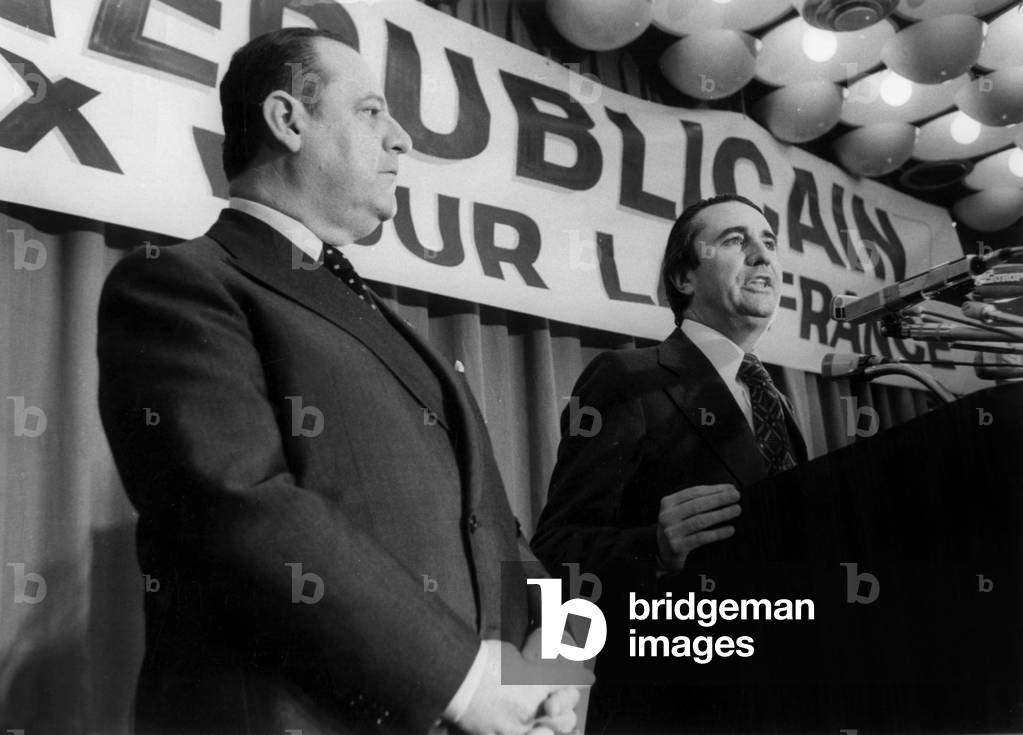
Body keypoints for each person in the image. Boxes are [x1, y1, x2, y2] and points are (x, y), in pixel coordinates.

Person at [98, 28, 589, 735]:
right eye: (369, 111)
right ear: (287, 120)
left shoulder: (396, 331)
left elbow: (500, 538)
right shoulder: (180, 284)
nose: (401, 140)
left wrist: (549, 672)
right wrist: (463, 681)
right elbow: (236, 506)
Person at [531, 194, 808, 732]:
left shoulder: (779, 405)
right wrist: (652, 548)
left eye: (770, 243)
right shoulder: (627, 377)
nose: (763, 257)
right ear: (683, 278)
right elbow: (551, 555)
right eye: (735, 241)